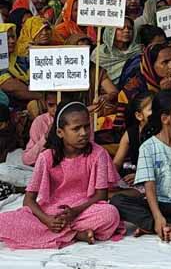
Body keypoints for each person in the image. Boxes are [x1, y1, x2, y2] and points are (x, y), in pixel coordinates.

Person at [0, 101, 122, 249]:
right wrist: (47, 220)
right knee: (4, 221)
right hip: (52, 211)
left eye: (86, 127)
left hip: (83, 210)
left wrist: (74, 212)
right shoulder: (46, 157)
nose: (84, 133)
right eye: (76, 129)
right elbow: (29, 200)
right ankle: (75, 234)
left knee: (110, 214)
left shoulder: (98, 154)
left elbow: (101, 196)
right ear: (60, 132)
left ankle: (59, 233)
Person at [111, 89, 171, 241]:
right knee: (117, 201)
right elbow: (149, 185)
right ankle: (160, 225)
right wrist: (157, 216)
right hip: (156, 204)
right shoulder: (148, 147)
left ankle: (156, 226)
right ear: (165, 118)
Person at [92, 19, 141, 86]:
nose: (126, 31)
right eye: (121, 28)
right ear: (111, 31)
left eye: (130, 28)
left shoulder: (138, 50)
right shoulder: (100, 53)